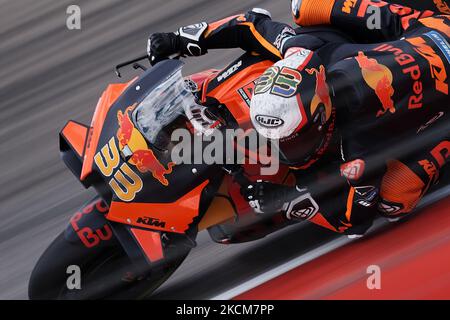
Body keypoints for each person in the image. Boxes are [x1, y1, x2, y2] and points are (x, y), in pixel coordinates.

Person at [147, 0, 449, 237]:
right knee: (304, 5)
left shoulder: (361, 147)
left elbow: (353, 221)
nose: (285, 151)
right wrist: (178, 40)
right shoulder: (301, 53)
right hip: (427, 27)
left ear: (321, 118)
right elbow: (252, 23)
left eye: (295, 141)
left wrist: (286, 199)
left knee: (393, 201)